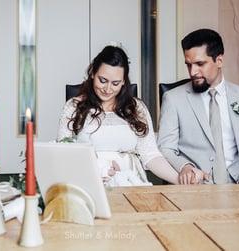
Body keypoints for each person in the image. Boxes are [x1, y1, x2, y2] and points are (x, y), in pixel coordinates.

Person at [57, 45, 206, 186]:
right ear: (92, 74)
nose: (108, 89)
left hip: (130, 182)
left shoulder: (137, 108)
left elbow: (151, 155)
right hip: (89, 181)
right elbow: (64, 153)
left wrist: (179, 180)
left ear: (123, 82)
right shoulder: (73, 106)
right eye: (102, 81)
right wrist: (95, 169)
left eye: (115, 83)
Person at [157, 28, 239, 184]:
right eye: (188, 65)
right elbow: (166, 148)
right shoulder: (172, 99)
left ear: (219, 61)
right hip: (198, 183)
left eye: (200, 64)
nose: (193, 72)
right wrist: (185, 167)